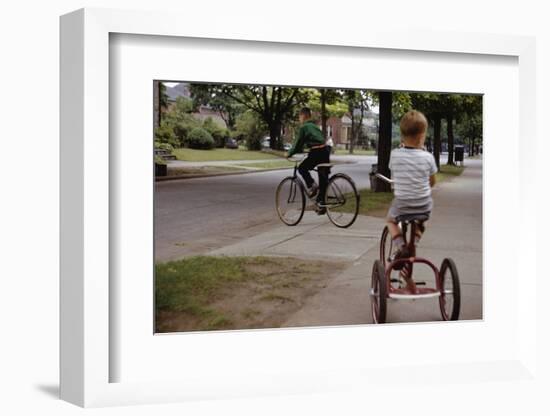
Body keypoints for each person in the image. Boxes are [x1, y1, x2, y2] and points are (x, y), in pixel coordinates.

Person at [386, 110, 437, 266]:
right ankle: (414, 242)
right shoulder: (428, 157)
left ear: (402, 136)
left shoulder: (394, 155)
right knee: (423, 220)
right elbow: (432, 182)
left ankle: (401, 246)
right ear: (423, 136)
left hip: (402, 204)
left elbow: (393, 175)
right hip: (423, 205)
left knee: (390, 221)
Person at [287, 107, 330, 215]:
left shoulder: (304, 127)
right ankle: (322, 205)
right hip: (325, 150)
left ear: (303, 116)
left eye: (299, 116)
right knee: (323, 178)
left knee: (302, 168)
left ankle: (311, 185)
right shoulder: (314, 126)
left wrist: (289, 153)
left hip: (316, 152)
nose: (299, 119)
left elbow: (298, 144)